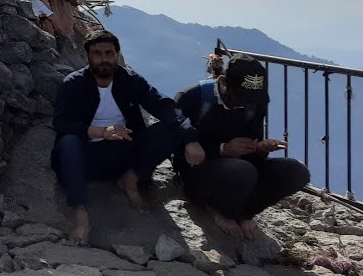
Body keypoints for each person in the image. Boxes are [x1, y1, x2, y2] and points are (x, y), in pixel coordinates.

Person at [52, 30, 194, 244]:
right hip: (88, 157)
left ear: (117, 55)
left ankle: (131, 179)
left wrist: (191, 138)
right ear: (87, 56)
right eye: (97, 53)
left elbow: (162, 105)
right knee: (68, 143)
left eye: (109, 53)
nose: (104, 59)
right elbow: (62, 122)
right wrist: (102, 132)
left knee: (173, 128)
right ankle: (81, 215)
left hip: (124, 151)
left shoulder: (129, 80)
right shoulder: (73, 83)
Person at [176, 55, 310, 239]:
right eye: (241, 98)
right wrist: (222, 149)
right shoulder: (193, 97)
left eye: (251, 99)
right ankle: (220, 211)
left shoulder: (255, 104)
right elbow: (175, 141)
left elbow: (252, 150)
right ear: (223, 82)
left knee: (296, 171)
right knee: (243, 171)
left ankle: (245, 213)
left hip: (239, 169)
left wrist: (260, 149)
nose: (246, 103)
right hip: (198, 169)